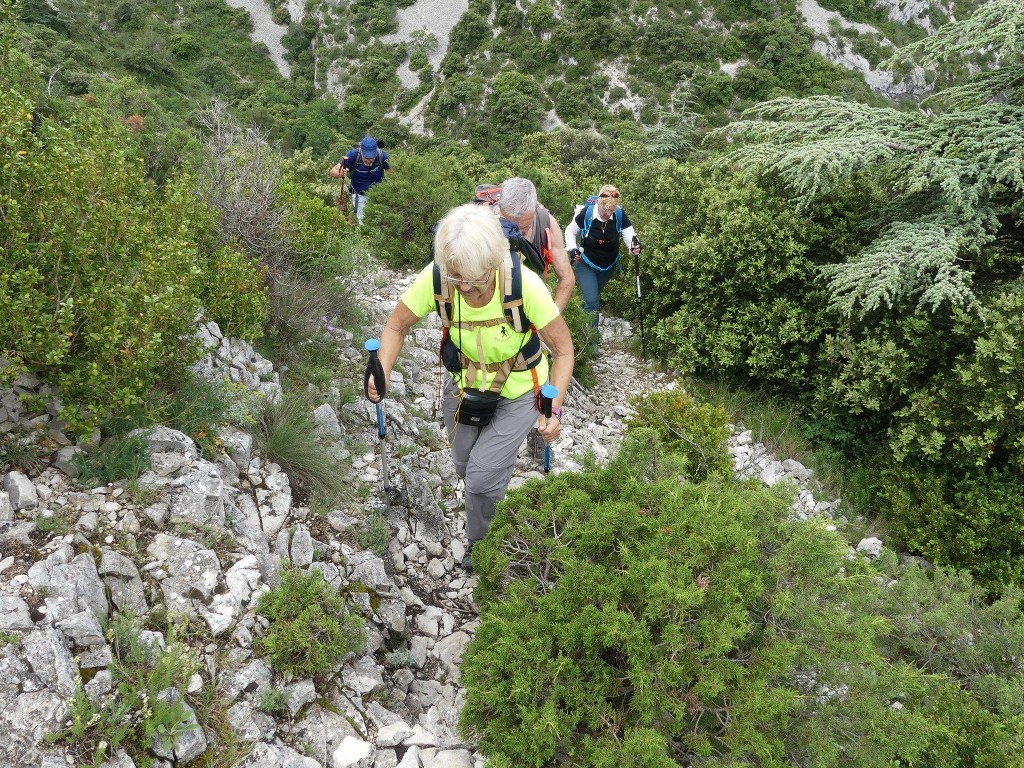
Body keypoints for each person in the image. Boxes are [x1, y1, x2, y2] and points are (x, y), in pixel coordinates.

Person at [367, 204, 574, 571]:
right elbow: (396, 326)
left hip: (521, 388)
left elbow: (562, 349)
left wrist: (553, 409)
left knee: (479, 479)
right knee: (465, 467)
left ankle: (484, 544)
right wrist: (380, 371)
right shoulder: (439, 278)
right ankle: (491, 488)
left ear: (493, 263)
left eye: (474, 280)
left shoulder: (524, 285)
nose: (464, 288)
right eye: (457, 278)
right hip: (464, 384)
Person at [564, 184, 641, 353]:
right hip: (585, 263)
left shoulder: (619, 215)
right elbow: (570, 231)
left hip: (607, 267)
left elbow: (630, 237)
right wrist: (572, 248)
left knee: (588, 301)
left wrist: (634, 247)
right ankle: (591, 345)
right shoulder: (586, 214)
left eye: (611, 210)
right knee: (592, 301)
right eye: (605, 209)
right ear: (598, 203)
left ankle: (576, 328)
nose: (607, 213)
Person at [497, 177, 576, 313]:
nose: (517, 234)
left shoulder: (546, 223)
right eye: (508, 225)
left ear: (536, 208)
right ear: (500, 207)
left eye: (524, 228)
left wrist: (550, 318)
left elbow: (567, 276)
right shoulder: (482, 223)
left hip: (532, 311)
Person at [330, 136, 391, 225]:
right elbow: (333, 171)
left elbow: (396, 173)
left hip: (379, 195)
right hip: (360, 196)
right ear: (361, 151)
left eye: (371, 158)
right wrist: (340, 174)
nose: (368, 160)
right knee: (364, 223)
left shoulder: (382, 156)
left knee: (381, 222)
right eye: (366, 157)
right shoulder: (353, 155)